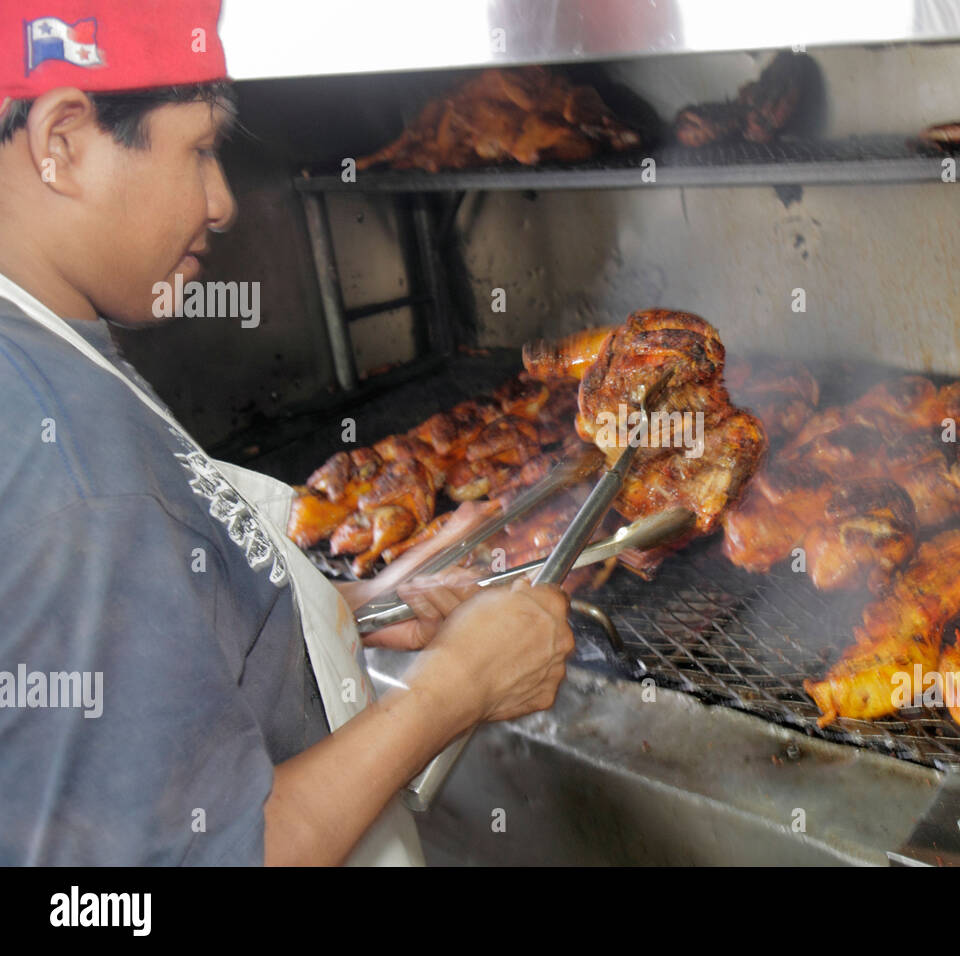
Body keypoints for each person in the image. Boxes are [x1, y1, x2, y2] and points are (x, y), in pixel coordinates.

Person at [0, 0, 573, 866]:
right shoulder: (68, 468)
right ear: (65, 142)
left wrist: (343, 610)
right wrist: (456, 690)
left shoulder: (41, 357)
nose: (224, 202)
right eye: (200, 149)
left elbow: (154, 634)